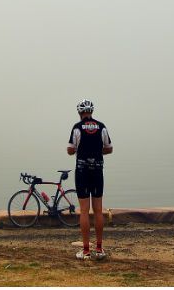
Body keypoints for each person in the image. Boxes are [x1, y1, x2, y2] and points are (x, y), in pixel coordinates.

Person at [67, 99, 111, 260]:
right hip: (98, 170)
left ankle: (85, 251)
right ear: (91, 112)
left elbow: (70, 149)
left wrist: (77, 150)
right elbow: (109, 148)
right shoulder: (101, 126)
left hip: (82, 171)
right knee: (98, 210)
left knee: (84, 211)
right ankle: (99, 249)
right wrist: (97, 152)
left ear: (80, 112)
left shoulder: (77, 128)